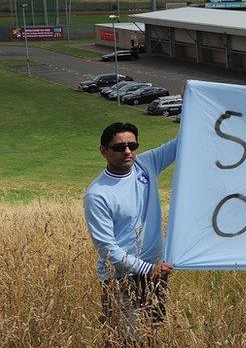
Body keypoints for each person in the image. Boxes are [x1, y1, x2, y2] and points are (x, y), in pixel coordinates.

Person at [83, 122, 179, 346]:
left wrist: (189, 103)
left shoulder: (146, 164)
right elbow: (108, 250)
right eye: (119, 147)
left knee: (151, 338)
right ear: (103, 150)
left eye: (132, 145)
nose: (127, 151)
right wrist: (148, 269)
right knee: (126, 341)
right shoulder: (98, 195)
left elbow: (180, 144)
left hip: (155, 275)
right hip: (121, 281)